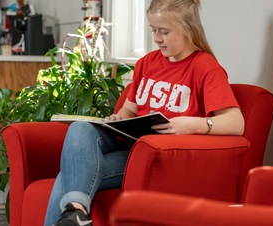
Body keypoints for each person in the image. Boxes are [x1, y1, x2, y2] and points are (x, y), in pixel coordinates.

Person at [45, 0, 245, 225]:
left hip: (159, 160)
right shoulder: (147, 63)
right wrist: (119, 117)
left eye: (165, 32)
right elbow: (130, 108)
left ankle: (75, 214)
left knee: (69, 177)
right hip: (131, 145)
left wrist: (193, 124)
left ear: (188, 28)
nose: (157, 38)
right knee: (80, 128)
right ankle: (76, 212)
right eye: (153, 30)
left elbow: (236, 123)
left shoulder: (205, 67)